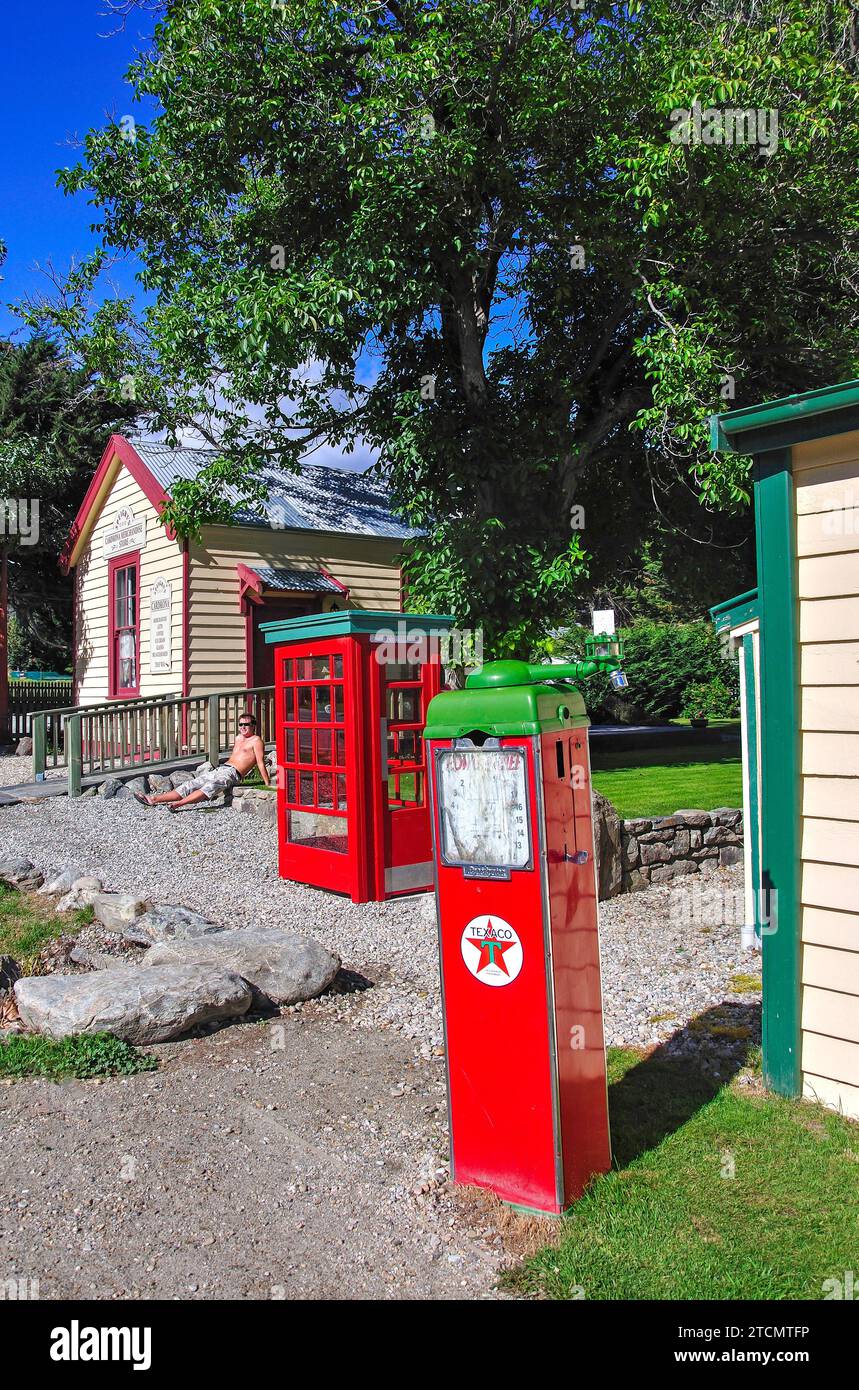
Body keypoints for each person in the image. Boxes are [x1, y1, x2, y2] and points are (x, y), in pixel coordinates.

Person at [136, 713, 271, 812]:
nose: (242, 727)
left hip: (233, 774)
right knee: (190, 784)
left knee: (209, 787)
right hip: (222, 768)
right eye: (240, 724)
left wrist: (267, 783)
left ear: (253, 725)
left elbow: (260, 763)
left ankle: (178, 804)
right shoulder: (238, 738)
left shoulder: (256, 741)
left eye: (246, 724)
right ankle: (153, 799)